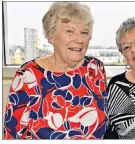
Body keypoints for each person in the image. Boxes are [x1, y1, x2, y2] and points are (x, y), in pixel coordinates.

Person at [4, 2, 108, 139]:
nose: (79, 39)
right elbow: (13, 135)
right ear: (51, 36)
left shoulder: (95, 69)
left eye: (84, 32)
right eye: (69, 31)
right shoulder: (28, 76)